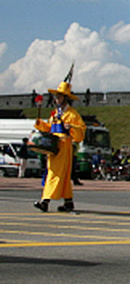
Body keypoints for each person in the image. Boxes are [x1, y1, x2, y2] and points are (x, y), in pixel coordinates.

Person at [33, 78, 86, 213]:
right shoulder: (56, 113)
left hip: (64, 146)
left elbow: (81, 130)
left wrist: (72, 127)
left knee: (54, 173)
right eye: (56, 96)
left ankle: (45, 201)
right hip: (54, 146)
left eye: (59, 96)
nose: (57, 98)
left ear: (65, 98)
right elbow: (50, 127)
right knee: (62, 174)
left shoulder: (72, 114)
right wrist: (40, 124)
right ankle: (68, 202)